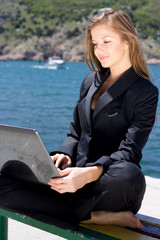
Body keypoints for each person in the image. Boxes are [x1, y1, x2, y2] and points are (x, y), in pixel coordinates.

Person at [0, 9, 158, 229]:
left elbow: (130, 152)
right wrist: (64, 154)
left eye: (106, 41)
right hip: (73, 178)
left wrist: (88, 174)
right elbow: (75, 133)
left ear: (127, 41)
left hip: (109, 183)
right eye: (95, 43)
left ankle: (68, 208)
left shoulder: (145, 92)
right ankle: (93, 216)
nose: (99, 49)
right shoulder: (89, 82)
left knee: (130, 174)